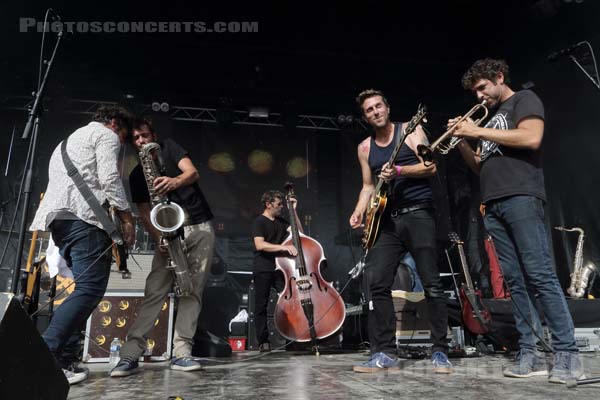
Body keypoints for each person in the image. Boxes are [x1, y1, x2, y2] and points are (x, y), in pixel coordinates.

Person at [452, 58, 584, 383]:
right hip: (493, 204)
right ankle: (530, 353)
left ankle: (568, 355)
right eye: (474, 92)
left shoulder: (524, 100)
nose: (478, 97)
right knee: (514, 283)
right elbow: (482, 166)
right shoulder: (491, 119)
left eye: (482, 88)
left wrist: (474, 129)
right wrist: (463, 142)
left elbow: (531, 138)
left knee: (540, 275)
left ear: (499, 77)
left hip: (522, 196)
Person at [30, 105, 136, 384]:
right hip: (84, 220)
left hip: (59, 221)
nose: (122, 143)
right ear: (114, 123)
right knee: (90, 289)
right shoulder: (106, 135)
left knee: (83, 289)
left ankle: (65, 361)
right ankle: (45, 354)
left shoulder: (69, 140)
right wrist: (127, 219)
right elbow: (110, 178)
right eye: (125, 136)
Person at [349, 89, 452, 373]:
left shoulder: (410, 130)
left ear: (387, 107)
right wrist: (359, 210)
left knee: (431, 283)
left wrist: (399, 172)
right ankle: (384, 352)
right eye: (369, 110)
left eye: (378, 106)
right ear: (366, 117)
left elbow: (429, 167)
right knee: (377, 282)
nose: (375, 112)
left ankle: (440, 351)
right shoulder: (364, 148)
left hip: (418, 213)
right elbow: (369, 186)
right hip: (386, 221)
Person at [110, 117, 215, 376]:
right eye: (136, 138)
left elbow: (192, 172)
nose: (141, 141)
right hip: (168, 234)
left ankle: (182, 353)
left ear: (153, 134)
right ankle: (131, 354)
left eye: (144, 135)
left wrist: (173, 181)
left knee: (192, 291)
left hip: (198, 226)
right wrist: (159, 237)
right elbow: (145, 213)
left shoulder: (169, 147)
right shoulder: (137, 175)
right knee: (154, 292)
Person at [251, 190, 300, 352]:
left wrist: (294, 211)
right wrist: (283, 247)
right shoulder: (259, 222)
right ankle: (263, 342)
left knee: (289, 304)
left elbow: (299, 234)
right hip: (263, 267)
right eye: (279, 204)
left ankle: (292, 338)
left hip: (281, 268)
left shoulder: (282, 221)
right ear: (268, 204)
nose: (281, 207)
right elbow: (260, 245)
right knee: (261, 305)